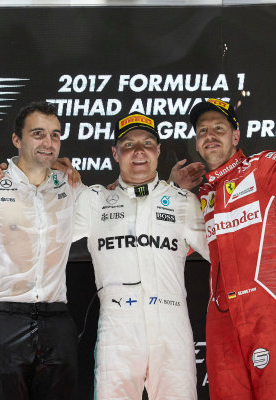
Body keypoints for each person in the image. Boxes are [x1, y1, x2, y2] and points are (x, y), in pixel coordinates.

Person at [188, 47, 276, 400]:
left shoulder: (263, 168)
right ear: (196, 142)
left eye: (219, 128)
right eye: (203, 130)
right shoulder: (193, 195)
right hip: (220, 317)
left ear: (235, 137)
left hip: (267, 306)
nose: (210, 135)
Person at [71, 113, 210, 399]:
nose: (138, 151)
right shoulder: (94, 200)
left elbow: (223, 248)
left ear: (158, 150)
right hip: (117, 328)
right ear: (115, 153)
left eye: (147, 143)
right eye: (128, 144)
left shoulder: (184, 202)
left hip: (171, 328)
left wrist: (271, 227)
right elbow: (47, 235)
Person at [0, 101, 83, 400]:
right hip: (1, 317)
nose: (48, 142)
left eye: (55, 135)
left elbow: (116, 205)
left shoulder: (71, 187)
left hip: (56, 319)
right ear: (17, 140)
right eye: (38, 134)